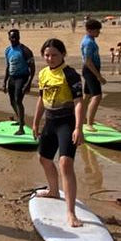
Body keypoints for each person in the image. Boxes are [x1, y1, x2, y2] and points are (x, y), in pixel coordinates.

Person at [30, 38, 86, 227]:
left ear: (63, 54)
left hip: (67, 123)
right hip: (50, 121)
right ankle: (53, 190)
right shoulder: (43, 73)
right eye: (46, 55)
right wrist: (35, 122)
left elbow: (79, 102)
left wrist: (78, 127)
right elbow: (41, 99)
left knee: (65, 163)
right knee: (44, 159)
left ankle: (71, 212)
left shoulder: (71, 75)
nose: (50, 58)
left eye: (54, 55)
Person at [2, 29, 35, 135]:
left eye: (16, 37)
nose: (14, 39)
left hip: (22, 78)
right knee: (12, 101)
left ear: (19, 37)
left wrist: (29, 83)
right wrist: (4, 82)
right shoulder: (7, 50)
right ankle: (21, 120)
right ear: (9, 38)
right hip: (12, 78)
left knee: (18, 100)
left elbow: (32, 68)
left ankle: (21, 128)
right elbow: (8, 67)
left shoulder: (25, 50)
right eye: (12, 37)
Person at [80, 20, 107, 130]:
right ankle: (89, 123)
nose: (99, 32)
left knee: (87, 96)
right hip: (90, 70)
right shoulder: (88, 43)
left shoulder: (90, 40)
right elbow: (88, 61)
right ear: (89, 30)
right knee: (97, 96)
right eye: (97, 30)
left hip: (90, 70)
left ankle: (82, 119)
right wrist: (99, 76)